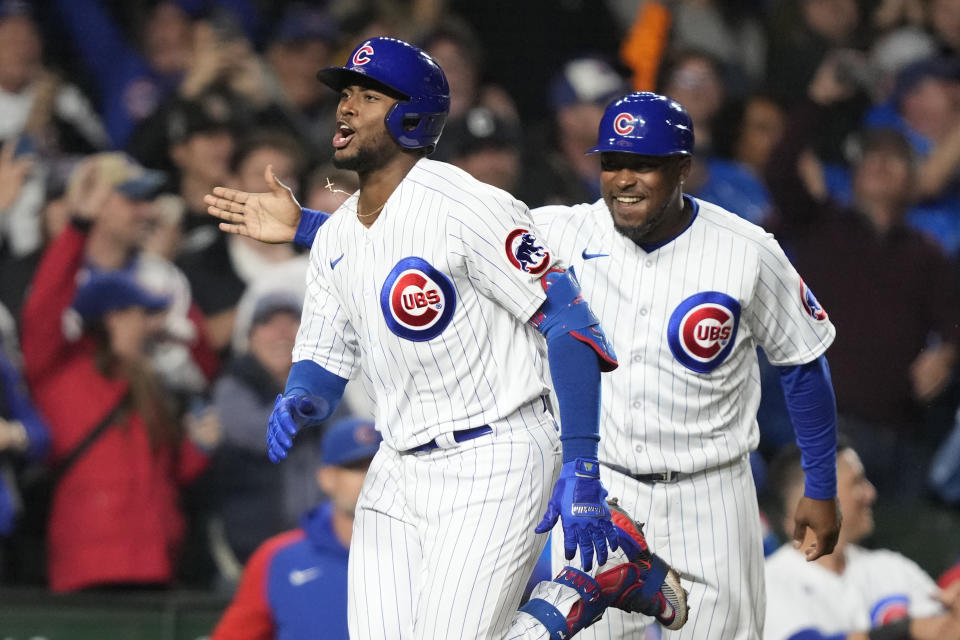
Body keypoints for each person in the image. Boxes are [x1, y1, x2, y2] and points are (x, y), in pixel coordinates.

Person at [233, 90, 842, 639]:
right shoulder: (563, 228)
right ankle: (593, 588)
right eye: (611, 163)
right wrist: (311, 227)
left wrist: (820, 484)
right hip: (600, 488)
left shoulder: (747, 249)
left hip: (710, 492)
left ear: (683, 169)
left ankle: (586, 593)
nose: (624, 179)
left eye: (644, 164)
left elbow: (802, 362)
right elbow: (441, 239)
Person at [204, 37, 687, 640]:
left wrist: (583, 463)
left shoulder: (471, 207)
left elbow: (570, 328)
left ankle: (589, 589)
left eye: (368, 95)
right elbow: (325, 363)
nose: (346, 107)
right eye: (345, 93)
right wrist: (302, 394)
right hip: (397, 462)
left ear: (411, 116)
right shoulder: (335, 238)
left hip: (496, 453)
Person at [764, 440, 960, 640]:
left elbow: (944, 630)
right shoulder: (770, 580)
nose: (871, 493)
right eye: (857, 482)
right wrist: (904, 630)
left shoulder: (890, 567)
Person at [211, 415, 382, 640]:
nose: (369, 478)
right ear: (327, 477)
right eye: (356, 468)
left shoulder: (422, 551)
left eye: (378, 467)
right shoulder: (278, 557)